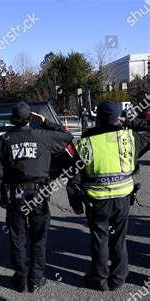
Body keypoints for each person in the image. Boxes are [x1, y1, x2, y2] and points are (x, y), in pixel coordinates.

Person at [0, 102, 73, 293]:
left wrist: (1, 198)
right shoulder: (43, 136)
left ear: (12, 119)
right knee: (38, 238)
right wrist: (45, 122)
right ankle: (35, 279)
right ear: (30, 118)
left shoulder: (4, 140)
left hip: (16, 194)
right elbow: (67, 136)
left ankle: (20, 279)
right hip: (39, 194)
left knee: (17, 238)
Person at [66, 101, 150, 291]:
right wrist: (131, 122)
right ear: (118, 118)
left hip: (96, 201)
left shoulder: (85, 142)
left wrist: (75, 203)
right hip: (123, 198)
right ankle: (118, 278)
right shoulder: (129, 138)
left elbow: (74, 177)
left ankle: (99, 279)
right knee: (119, 239)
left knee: (99, 239)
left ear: (98, 118)